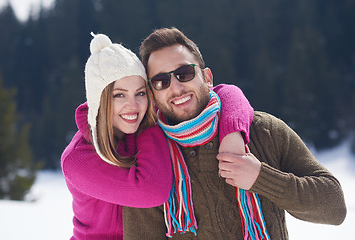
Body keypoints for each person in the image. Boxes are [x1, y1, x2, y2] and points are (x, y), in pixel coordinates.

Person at [122, 27, 347, 240]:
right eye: (161, 81)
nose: (176, 87)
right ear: (152, 93)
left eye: (184, 73)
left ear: (207, 77)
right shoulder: (148, 162)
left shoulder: (264, 131)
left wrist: (261, 178)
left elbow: (334, 208)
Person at [61, 33, 254, 239]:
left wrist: (233, 134)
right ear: (99, 99)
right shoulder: (78, 159)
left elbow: (226, 93)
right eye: (119, 95)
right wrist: (151, 121)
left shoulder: (135, 124)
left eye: (141, 93)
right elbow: (151, 191)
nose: (133, 106)